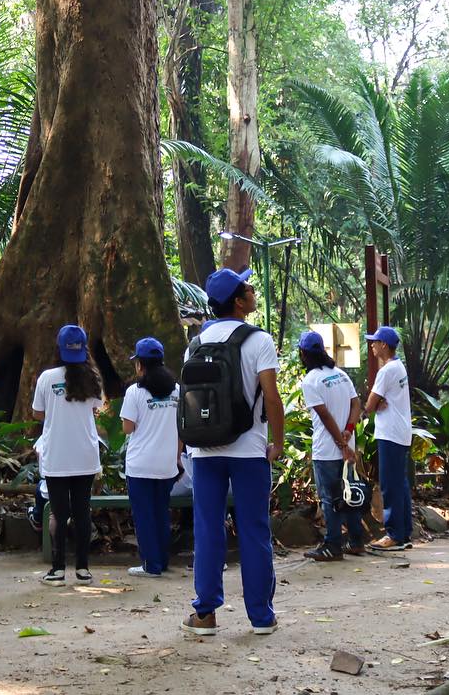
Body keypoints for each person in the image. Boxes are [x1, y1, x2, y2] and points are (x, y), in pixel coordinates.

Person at [183, 268, 284, 637]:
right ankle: (261, 617)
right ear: (239, 302)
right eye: (248, 288)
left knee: (208, 530)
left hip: (206, 452)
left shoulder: (195, 343)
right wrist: (279, 441)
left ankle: (205, 614)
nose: (253, 290)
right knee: (254, 531)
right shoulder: (259, 340)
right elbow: (271, 396)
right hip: (249, 450)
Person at [33, 324, 104, 585]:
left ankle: (57, 570)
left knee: (58, 513)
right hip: (85, 452)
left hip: (57, 454)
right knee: (82, 511)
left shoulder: (47, 378)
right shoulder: (93, 378)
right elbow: (97, 408)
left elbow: (37, 413)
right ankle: (83, 570)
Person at [298, 331, 365, 561]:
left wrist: (340, 442)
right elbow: (356, 404)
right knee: (349, 494)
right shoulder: (340, 374)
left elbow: (325, 416)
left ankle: (333, 545)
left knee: (330, 498)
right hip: (346, 445)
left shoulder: (310, 380)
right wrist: (349, 431)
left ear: (303, 354)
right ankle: (356, 541)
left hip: (327, 450)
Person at [121, 337, 180, 578]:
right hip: (167, 463)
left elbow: (127, 427)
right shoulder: (177, 390)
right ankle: (162, 561)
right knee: (161, 513)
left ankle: (151, 565)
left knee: (144, 515)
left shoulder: (134, 392)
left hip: (141, 465)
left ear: (140, 365)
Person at [363, 325, 413, 551]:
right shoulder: (399, 367)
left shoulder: (386, 371)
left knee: (389, 485)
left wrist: (370, 406)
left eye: (375, 341)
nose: (372, 345)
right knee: (399, 483)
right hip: (400, 432)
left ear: (384, 345)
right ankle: (404, 531)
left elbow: (370, 403)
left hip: (390, 433)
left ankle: (393, 534)